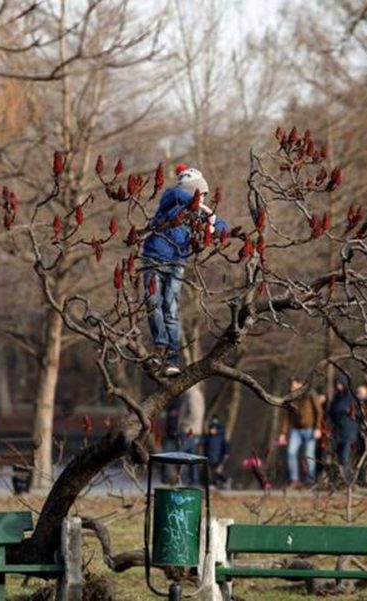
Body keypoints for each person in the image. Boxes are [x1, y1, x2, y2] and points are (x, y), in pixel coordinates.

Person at [141, 167, 229, 377]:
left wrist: (213, 225)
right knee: (153, 304)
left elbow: (223, 226)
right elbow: (178, 193)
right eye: (200, 194)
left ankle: (172, 359)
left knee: (170, 310)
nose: (202, 199)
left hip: (177, 262)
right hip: (154, 258)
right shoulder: (170, 199)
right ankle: (160, 346)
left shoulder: (195, 214)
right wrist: (203, 207)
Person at [278, 378, 324, 488]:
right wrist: (283, 433)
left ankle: (310, 480)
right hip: (296, 430)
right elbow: (286, 417)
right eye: (290, 386)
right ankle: (294, 480)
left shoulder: (310, 394)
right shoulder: (290, 397)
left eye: (294, 386)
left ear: (300, 384)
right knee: (291, 452)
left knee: (309, 456)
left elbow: (319, 411)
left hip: (310, 429)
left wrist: (318, 427)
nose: (291, 388)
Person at [326, 373, 360, 482]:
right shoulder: (336, 398)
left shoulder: (351, 397)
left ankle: (348, 481)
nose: (337, 385)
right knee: (338, 457)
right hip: (337, 432)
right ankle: (338, 480)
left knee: (345, 457)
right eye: (336, 383)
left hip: (348, 432)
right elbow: (331, 411)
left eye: (339, 383)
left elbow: (357, 413)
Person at [177, 384, 205, 484]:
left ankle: (184, 481)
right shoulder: (194, 394)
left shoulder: (192, 394)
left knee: (182, 457)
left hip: (189, 431)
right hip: (193, 431)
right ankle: (192, 482)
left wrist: (183, 423)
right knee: (190, 458)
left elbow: (195, 413)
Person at [202, 417, 231, 489]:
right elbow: (205, 446)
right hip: (209, 457)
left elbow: (226, 447)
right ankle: (224, 480)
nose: (211, 430)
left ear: (216, 429)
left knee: (215, 471)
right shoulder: (208, 437)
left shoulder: (221, 438)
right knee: (213, 472)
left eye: (213, 429)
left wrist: (226, 454)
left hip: (218, 458)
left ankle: (216, 483)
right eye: (210, 428)